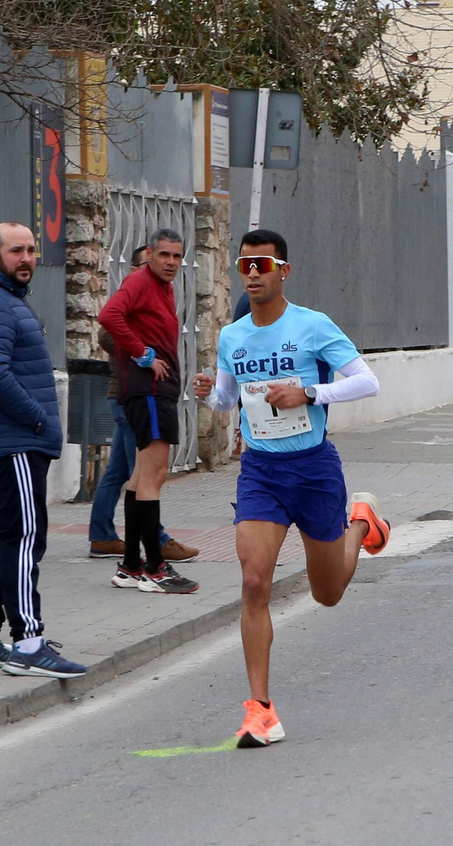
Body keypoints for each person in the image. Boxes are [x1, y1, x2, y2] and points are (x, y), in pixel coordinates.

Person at [192, 228, 390, 747]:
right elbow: (228, 401)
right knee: (254, 582)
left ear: (284, 270)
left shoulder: (312, 325)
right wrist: (209, 392)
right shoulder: (232, 336)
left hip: (314, 470)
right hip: (262, 472)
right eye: (245, 265)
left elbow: (367, 381)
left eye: (263, 264)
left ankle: (361, 522)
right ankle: (260, 711)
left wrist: (309, 393)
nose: (253, 273)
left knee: (328, 593)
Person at [0, 223, 85, 678]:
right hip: (14, 441)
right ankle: (28, 642)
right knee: (25, 536)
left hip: (8, 441)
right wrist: (37, 418)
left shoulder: (1, 298)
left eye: (31, 249)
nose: (27, 258)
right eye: (16, 251)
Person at [96, 228, 200, 595]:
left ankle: (130, 566)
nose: (171, 262)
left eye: (177, 256)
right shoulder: (141, 281)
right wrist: (143, 354)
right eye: (164, 255)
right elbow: (109, 316)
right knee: (154, 476)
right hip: (150, 391)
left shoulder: (162, 287)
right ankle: (155, 568)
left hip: (153, 392)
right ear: (150, 255)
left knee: (140, 478)